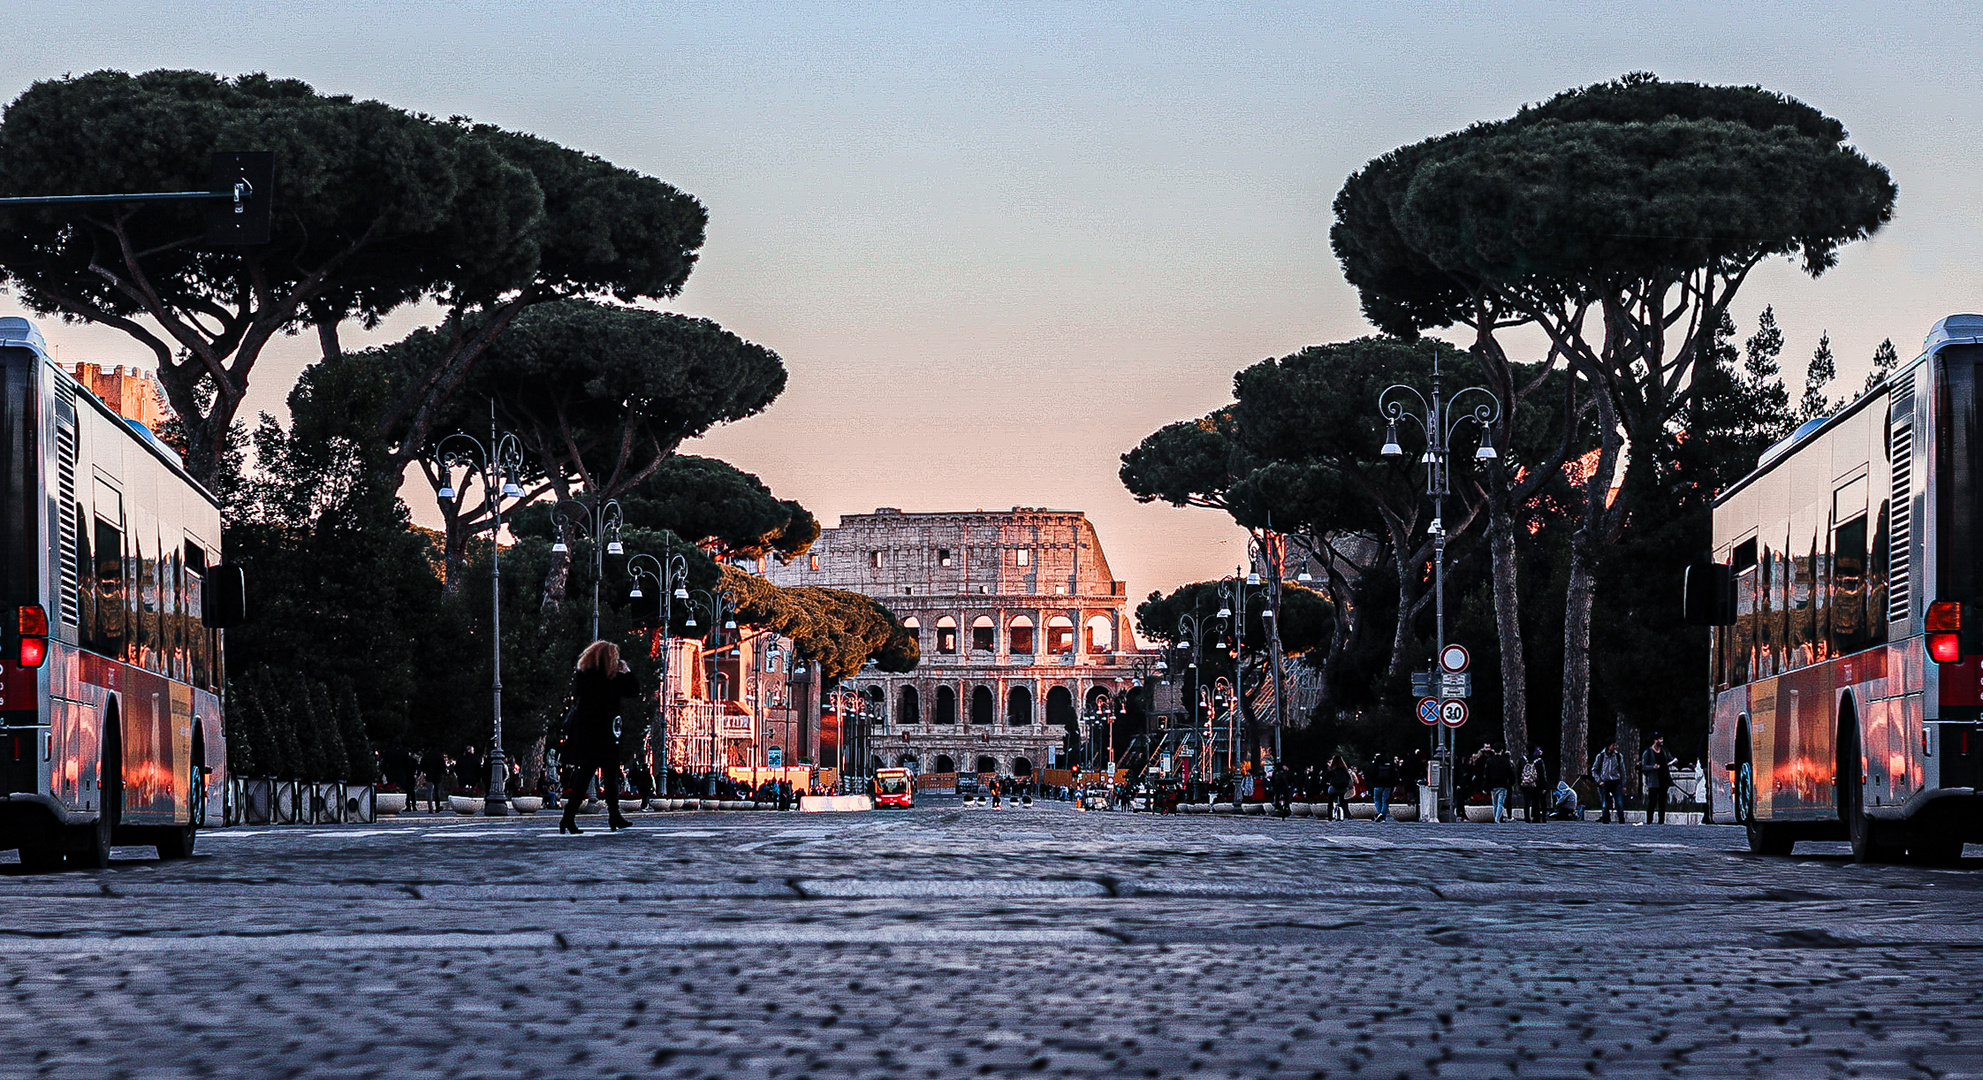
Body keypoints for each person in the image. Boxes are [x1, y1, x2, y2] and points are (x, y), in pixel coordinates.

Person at [560, 640, 639, 835]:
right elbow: (633, 690)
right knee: (610, 775)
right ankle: (613, 816)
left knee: (585, 774)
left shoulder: (584, 676)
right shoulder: (611, 679)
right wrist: (626, 670)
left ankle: (568, 818)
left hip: (586, 732)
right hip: (605, 732)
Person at [1640, 735, 1677, 825]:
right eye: (1660, 739)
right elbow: (1644, 766)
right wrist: (1653, 767)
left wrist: (1674, 760)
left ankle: (1661, 821)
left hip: (1664, 779)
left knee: (1662, 802)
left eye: (1662, 739)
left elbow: (1670, 759)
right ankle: (1649, 821)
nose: (1661, 741)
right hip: (1654, 780)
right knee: (1652, 801)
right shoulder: (1648, 752)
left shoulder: (1664, 751)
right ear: (1655, 740)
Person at [1592, 741, 1627, 823]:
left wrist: (1624, 784)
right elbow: (1594, 770)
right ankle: (1605, 819)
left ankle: (1621, 820)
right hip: (1604, 782)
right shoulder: (1601, 756)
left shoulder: (1618, 756)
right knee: (1605, 804)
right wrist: (1599, 781)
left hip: (1615, 782)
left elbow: (1623, 771)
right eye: (1613, 745)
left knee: (1619, 803)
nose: (1614, 747)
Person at [1482, 745, 1516, 823]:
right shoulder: (1505, 761)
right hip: (1503, 784)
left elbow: (1487, 775)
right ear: (1501, 750)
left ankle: (1496, 817)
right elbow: (1510, 773)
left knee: (1495, 803)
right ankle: (1497, 818)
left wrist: (1485, 787)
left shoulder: (1490, 760)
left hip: (1493, 784)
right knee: (1500, 803)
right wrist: (1511, 782)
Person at [1520, 747, 1548, 824]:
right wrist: (1544, 786)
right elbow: (1542, 774)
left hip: (1525, 784)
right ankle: (1536, 818)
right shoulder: (1538, 761)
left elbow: (1518, 771)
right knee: (1536, 802)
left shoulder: (1522, 760)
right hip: (1536, 784)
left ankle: (1527, 818)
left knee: (1526, 802)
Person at [1369, 754, 1400, 822]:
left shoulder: (1376, 765)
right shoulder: (1389, 765)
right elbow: (1394, 775)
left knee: (1377, 800)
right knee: (1385, 801)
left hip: (1377, 784)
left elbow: (1371, 775)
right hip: (1387, 785)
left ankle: (1379, 813)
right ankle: (1383, 816)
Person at [1323, 756, 1352, 821]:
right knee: (1344, 801)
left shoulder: (1331, 769)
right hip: (1343, 789)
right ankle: (1346, 815)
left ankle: (1330, 816)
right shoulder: (1344, 769)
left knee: (1330, 802)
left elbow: (1325, 778)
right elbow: (1348, 778)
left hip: (1334, 788)